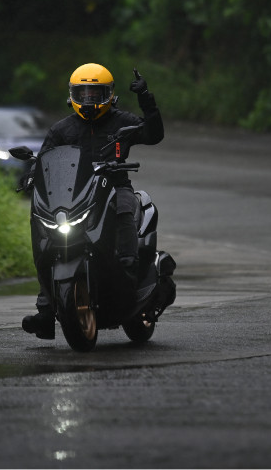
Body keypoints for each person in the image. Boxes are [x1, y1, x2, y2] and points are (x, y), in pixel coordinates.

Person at [21, 62, 164, 339]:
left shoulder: (122, 121)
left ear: (109, 94)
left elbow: (154, 134)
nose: (88, 100)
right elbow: (45, 160)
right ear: (72, 94)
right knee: (48, 238)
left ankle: (128, 268)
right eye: (82, 93)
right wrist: (30, 176)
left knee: (124, 208)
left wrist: (146, 99)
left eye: (95, 94)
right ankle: (45, 312)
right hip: (76, 196)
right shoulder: (62, 129)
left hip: (115, 187)